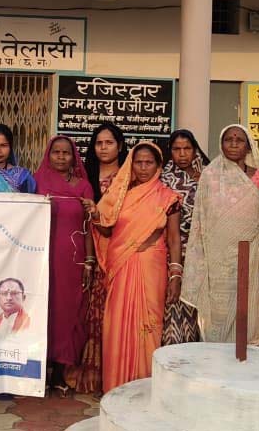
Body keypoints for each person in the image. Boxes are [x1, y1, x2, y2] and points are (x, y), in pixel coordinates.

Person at [89, 142, 180, 393]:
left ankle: (146, 387)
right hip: (122, 265)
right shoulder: (119, 195)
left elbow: (174, 239)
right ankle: (117, 387)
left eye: (148, 162)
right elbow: (107, 231)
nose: (143, 167)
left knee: (150, 325)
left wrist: (176, 274)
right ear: (131, 164)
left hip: (152, 266)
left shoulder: (168, 197)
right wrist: (95, 215)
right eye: (138, 162)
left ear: (158, 165)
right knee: (117, 325)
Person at [183, 124, 259, 344]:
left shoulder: (257, 176)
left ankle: (244, 359)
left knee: (248, 310)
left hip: (252, 254)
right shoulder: (210, 175)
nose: (233, 144)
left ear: (248, 146)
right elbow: (201, 218)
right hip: (217, 261)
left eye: (239, 140)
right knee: (218, 316)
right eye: (228, 140)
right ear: (221, 144)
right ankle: (217, 360)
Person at [68, 121, 129, 394]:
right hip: (89, 248)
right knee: (92, 310)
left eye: (109, 143)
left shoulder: (130, 176)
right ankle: (93, 373)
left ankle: (118, 371)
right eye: (99, 143)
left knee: (117, 312)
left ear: (120, 146)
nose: (103, 148)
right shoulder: (85, 175)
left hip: (122, 247)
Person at [34, 135, 94, 396]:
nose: (60, 156)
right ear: (48, 155)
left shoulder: (84, 186)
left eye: (66, 153)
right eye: (56, 152)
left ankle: (59, 372)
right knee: (43, 311)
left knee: (68, 312)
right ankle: (39, 371)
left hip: (72, 259)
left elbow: (89, 226)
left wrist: (89, 261)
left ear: (74, 157)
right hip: (41, 257)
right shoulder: (37, 183)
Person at [159, 129, 208, 345]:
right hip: (172, 251)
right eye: (176, 149)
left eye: (187, 148)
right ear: (170, 151)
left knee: (200, 308)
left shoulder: (210, 175)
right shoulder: (162, 178)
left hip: (204, 254)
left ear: (195, 149)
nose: (182, 154)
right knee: (173, 303)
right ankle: (174, 351)